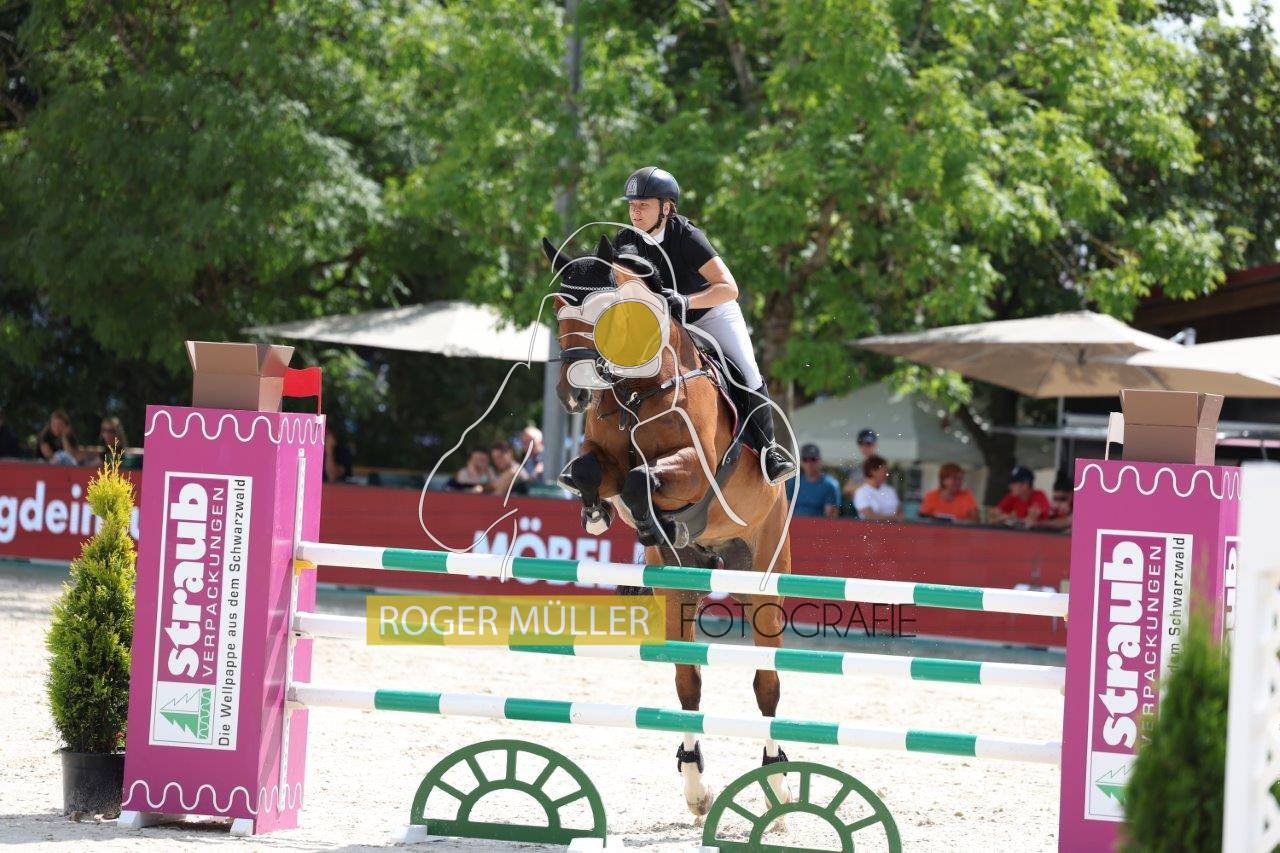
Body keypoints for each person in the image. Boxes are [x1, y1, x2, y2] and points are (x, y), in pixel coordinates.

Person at [614, 166, 796, 485]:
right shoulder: (626, 239)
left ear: (666, 208)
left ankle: (769, 450)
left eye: (643, 204)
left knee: (747, 370)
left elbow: (729, 287)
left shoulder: (686, 236)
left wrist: (686, 301)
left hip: (710, 313)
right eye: (632, 205)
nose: (635, 212)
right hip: (664, 323)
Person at [785, 443, 841, 518]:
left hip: (818, 524)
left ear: (820, 461)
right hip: (794, 523)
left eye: (813, 459)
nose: (809, 463)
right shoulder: (793, 482)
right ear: (801, 462)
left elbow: (830, 517)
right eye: (805, 459)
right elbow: (786, 510)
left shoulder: (830, 485)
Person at [853, 454, 901, 521]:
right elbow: (870, 516)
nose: (886, 473)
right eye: (884, 470)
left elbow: (900, 513)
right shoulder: (861, 492)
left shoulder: (890, 490)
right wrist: (893, 518)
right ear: (873, 471)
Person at [842, 428, 879, 500]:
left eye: (868, 444)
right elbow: (846, 490)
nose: (865, 447)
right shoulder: (858, 467)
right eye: (861, 444)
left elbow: (875, 487)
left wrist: (856, 488)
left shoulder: (881, 465)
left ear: (875, 445)